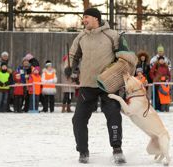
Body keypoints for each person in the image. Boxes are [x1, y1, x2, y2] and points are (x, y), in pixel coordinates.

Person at [69, 8, 125, 164]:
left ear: (96, 18)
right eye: (83, 18)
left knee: (114, 116)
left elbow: (124, 57)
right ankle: (83, 152)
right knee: (78, 119)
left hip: (109, 84)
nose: (84, 20)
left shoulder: (112, 35)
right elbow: (73, 54)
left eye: (86, 17)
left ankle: (117, 150)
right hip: (87, 84)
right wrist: (70, 67)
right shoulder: (81, 36)